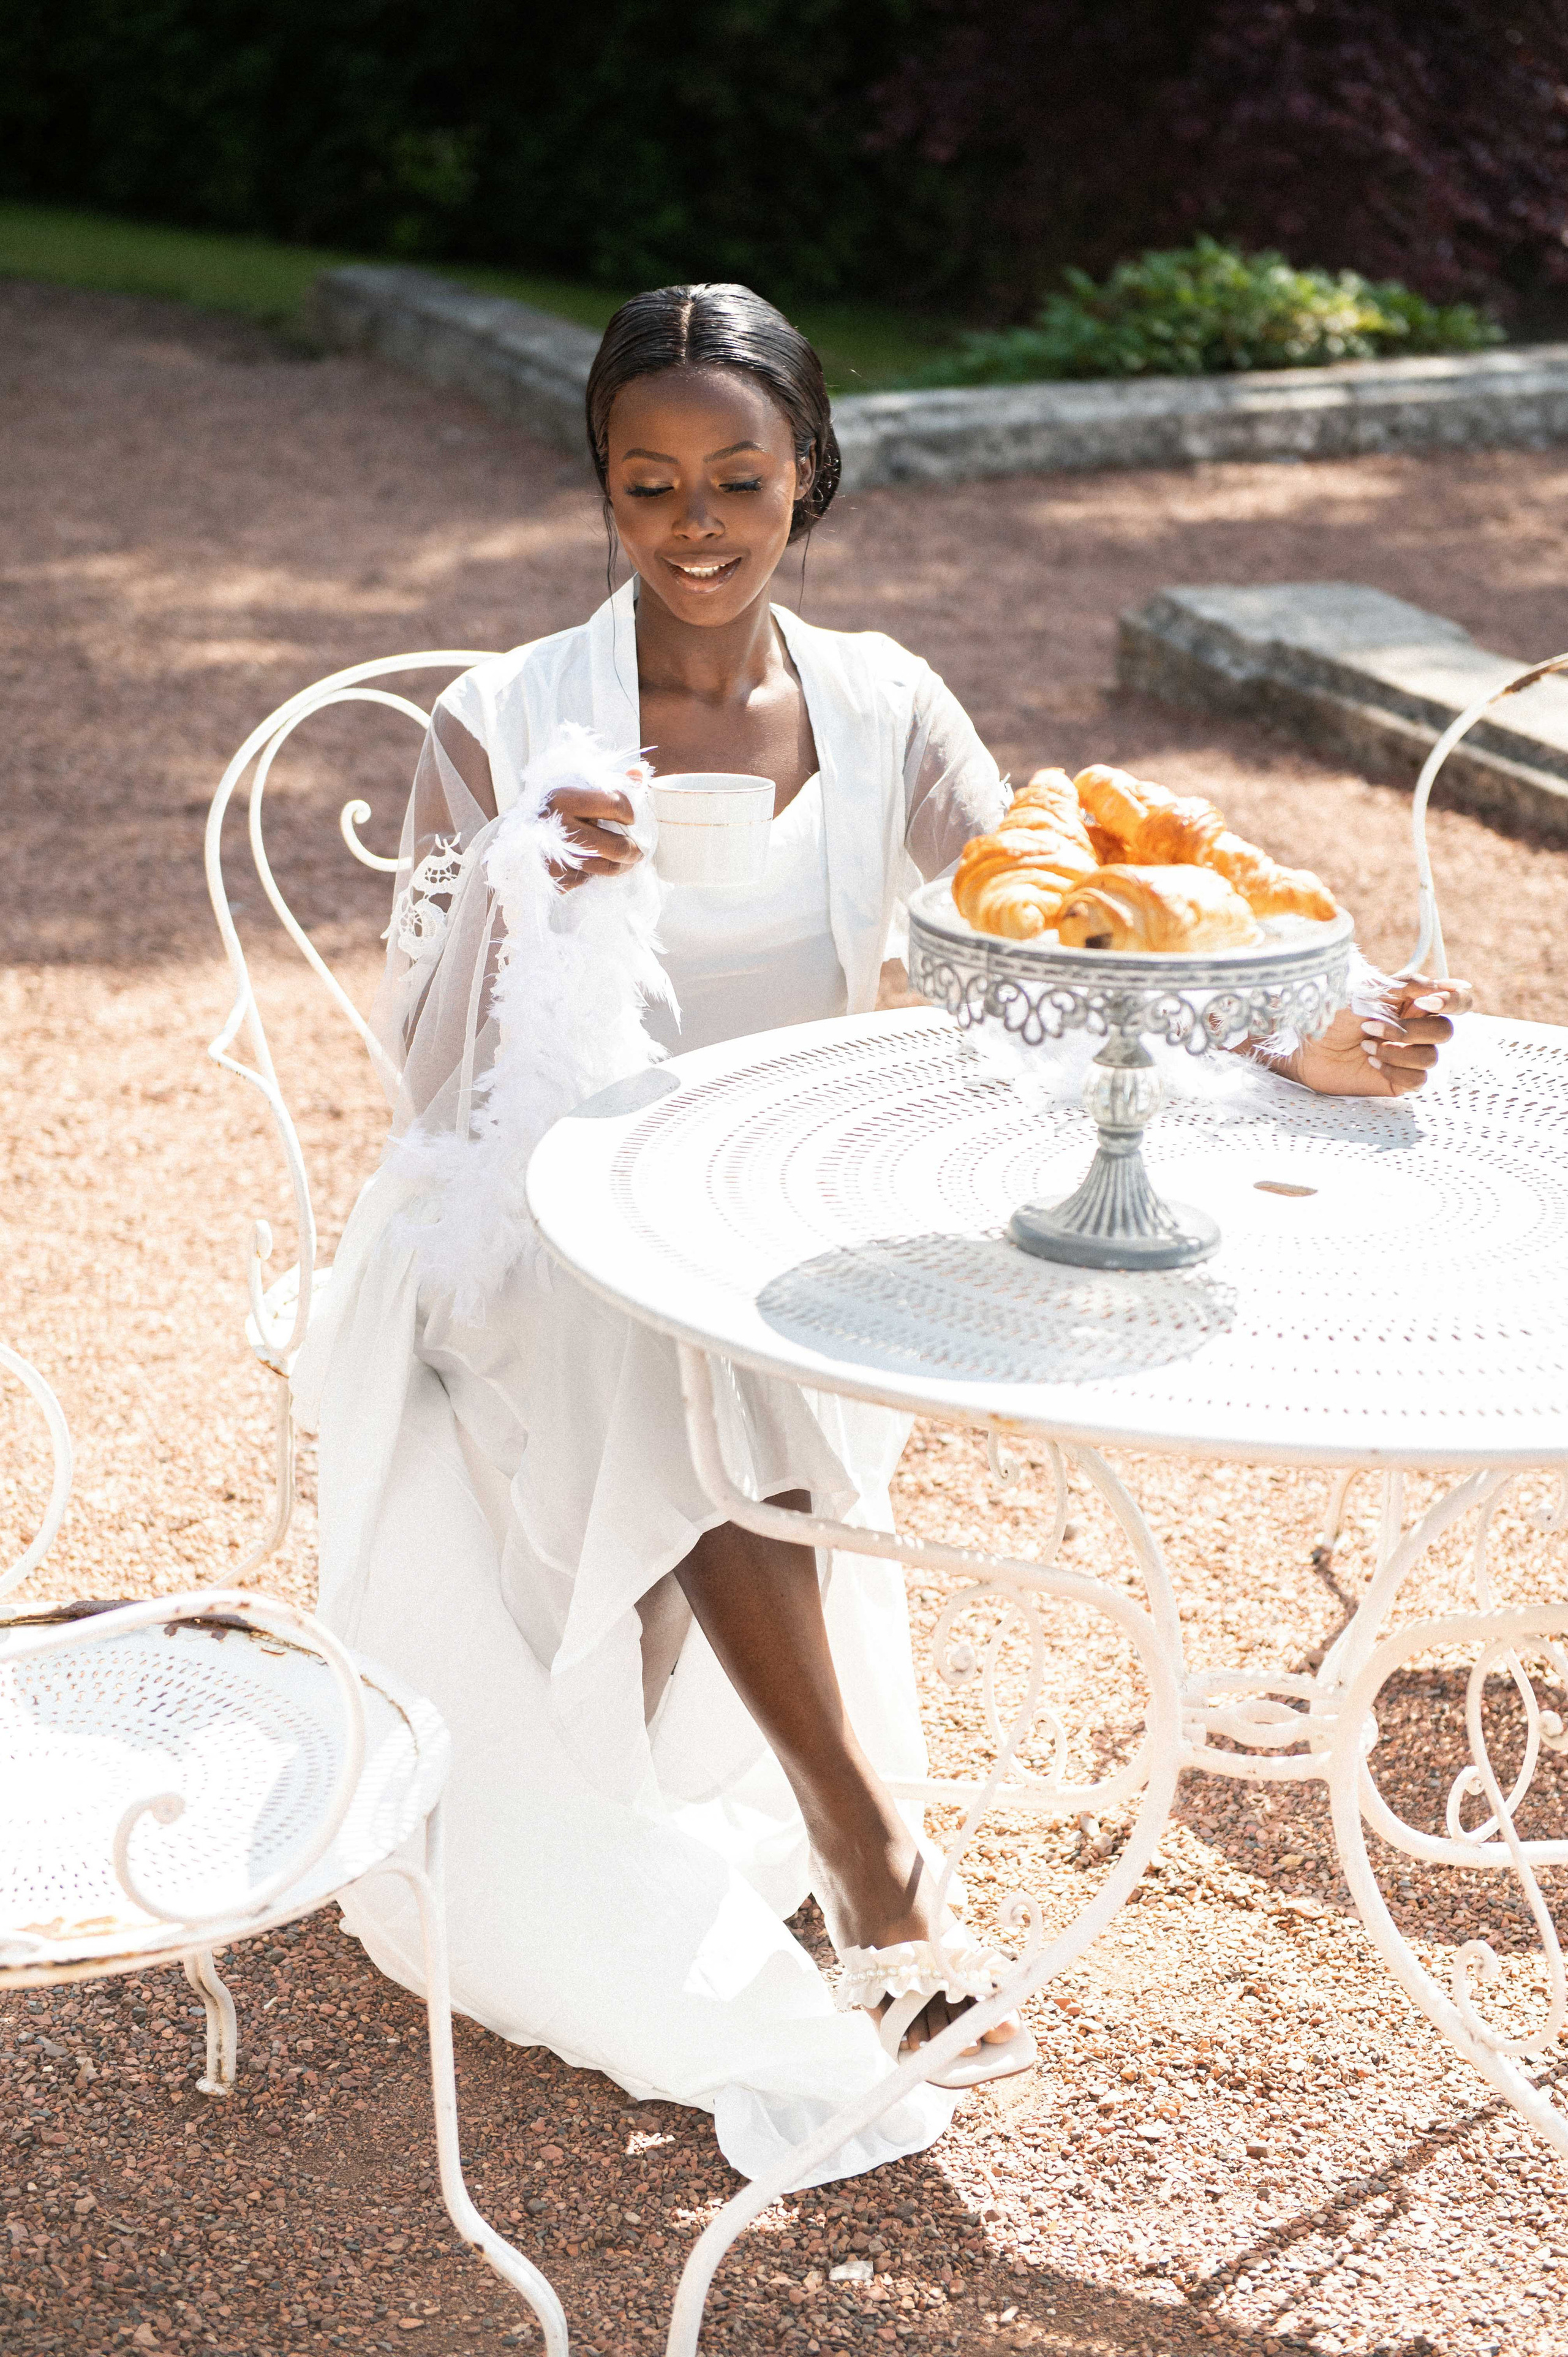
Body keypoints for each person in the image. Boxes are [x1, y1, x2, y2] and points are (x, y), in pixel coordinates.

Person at [293, 281, 1468, 2184]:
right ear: (602, 492)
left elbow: (1053, 930)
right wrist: (523, 881)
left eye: (736, 481)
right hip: (528, 1238)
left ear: (807, 478)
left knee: (709, 1318)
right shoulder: (504, 716)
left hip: (774, 1220)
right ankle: (869, 1852)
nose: (693, 526)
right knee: (640, 1320)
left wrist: (1307, 1042)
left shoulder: (885, 706)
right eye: (647, 483)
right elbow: (424, 1071)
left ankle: (841, 1832)